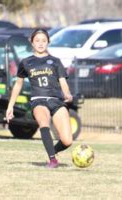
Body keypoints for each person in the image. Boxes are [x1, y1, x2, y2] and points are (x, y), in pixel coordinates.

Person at [6, 28, 73, 168]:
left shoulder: (55, 61)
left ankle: (52, 151)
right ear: (32, 42)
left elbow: (63, 82)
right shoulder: (26, 62)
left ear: (48, 42)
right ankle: (53, 160)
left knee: (67, 141)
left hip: (56, 101)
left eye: (44, 40)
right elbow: (18, 85)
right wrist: (10, 106)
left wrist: (67, 94)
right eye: (37, 40)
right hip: (38, 101)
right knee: (44, 122)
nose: (41, 43)